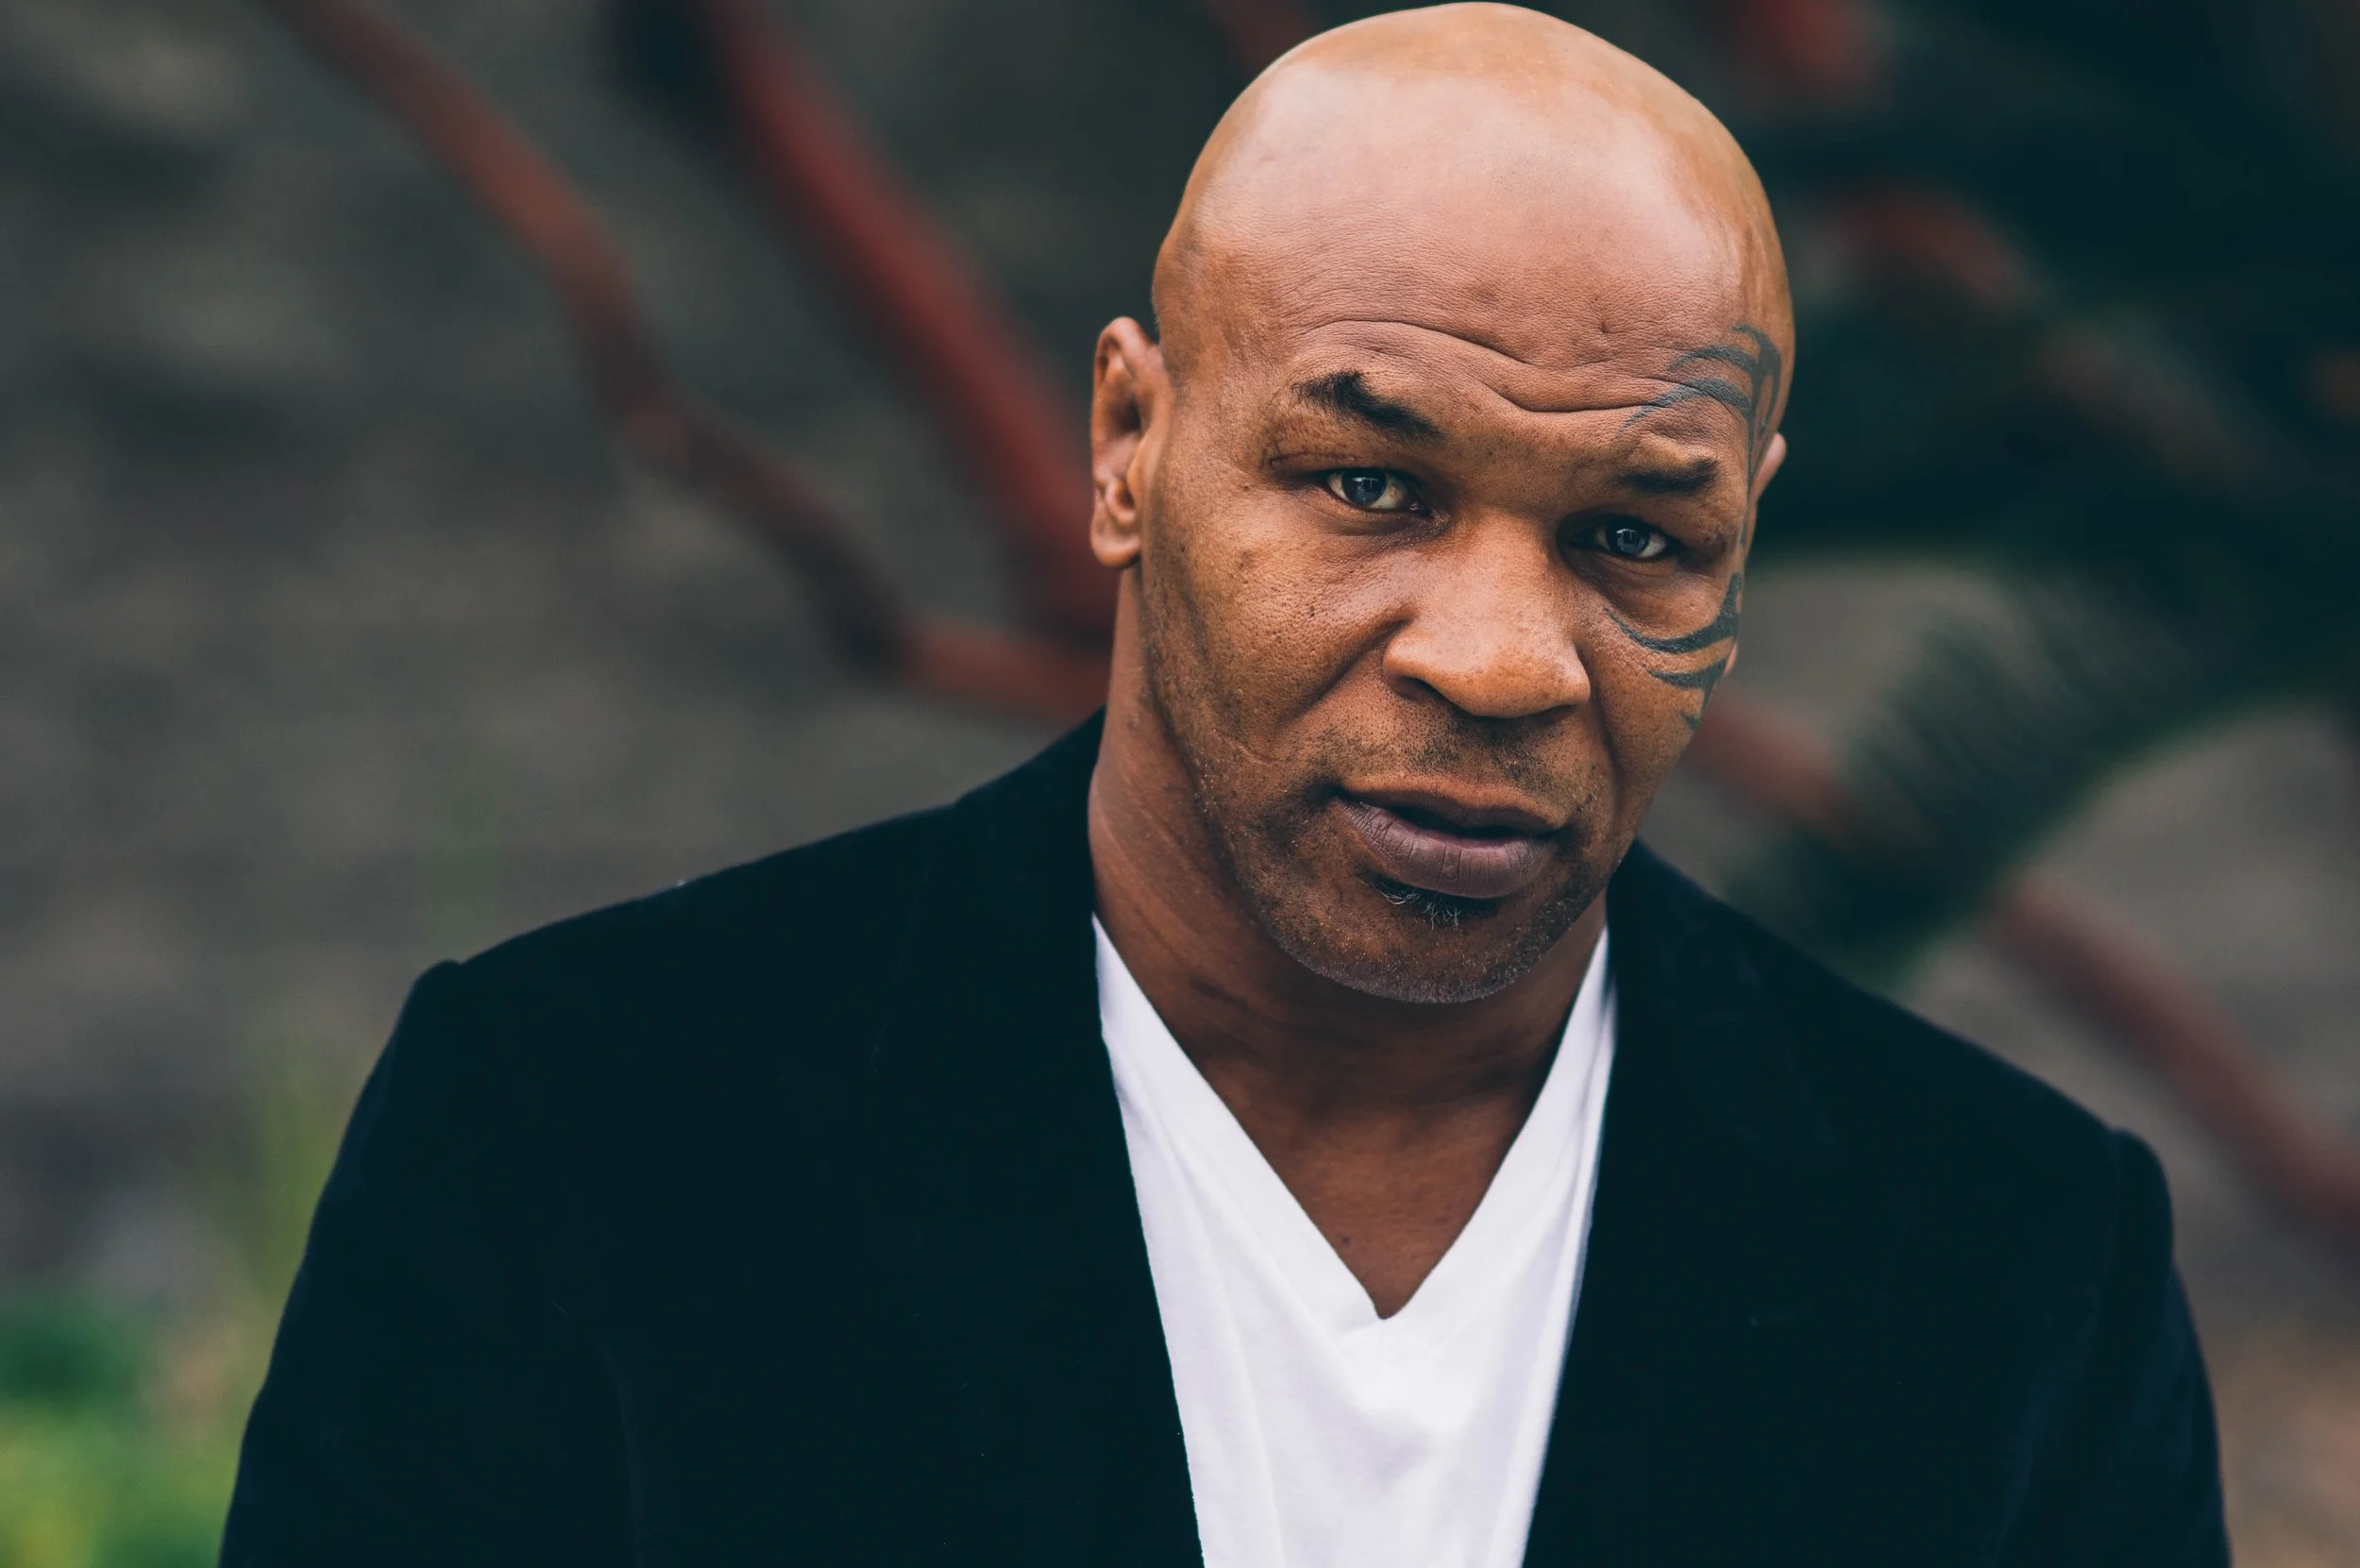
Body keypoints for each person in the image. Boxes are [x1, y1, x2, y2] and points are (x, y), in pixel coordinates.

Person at [221, 6, 2229, 1565]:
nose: (1499, 659)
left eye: (1634, 535)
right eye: (1369, 483)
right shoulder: (580, 1137)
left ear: (1745, 533)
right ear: (1127, 442)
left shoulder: (2012, 1265)